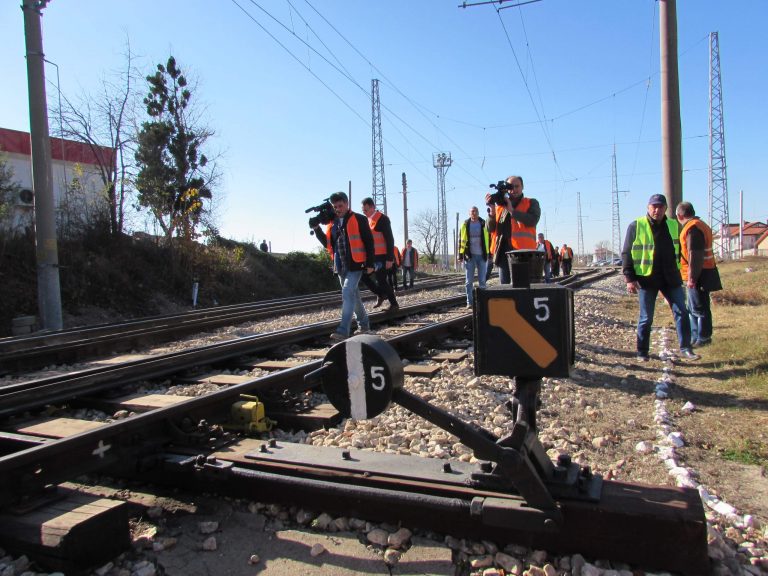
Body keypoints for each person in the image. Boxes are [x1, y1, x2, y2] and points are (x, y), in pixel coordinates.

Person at [622, 194, 699, 361]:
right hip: (647, 278)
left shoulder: (673, 225)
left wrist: (686, 272)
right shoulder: (636, 226)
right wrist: (629, 278)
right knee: (646, 317)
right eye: (653, 206)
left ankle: (686, 348)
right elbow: (627, 253)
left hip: (670, 277)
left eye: (660, 207)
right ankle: (642, 351)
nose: (656, 210)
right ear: (648, 207)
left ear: (666, 209)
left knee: (682, 312)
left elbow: (682, 251)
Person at [311, 191, 375, 341]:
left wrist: (370, 263)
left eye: (340, 205)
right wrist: (316, 228)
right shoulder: (332, 223)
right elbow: (327, 244)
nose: (338, 208)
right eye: (335, 206)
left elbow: (369, 242)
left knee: (347, 292)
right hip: (340, 266)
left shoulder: (359, 219)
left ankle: (342, 331)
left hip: (356, 264)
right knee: (354, 296)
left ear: (347, 204)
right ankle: (364, 325)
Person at [675, 201, 722, 347]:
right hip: (705, 271)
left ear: (679, 215)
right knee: (698, 306)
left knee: (698, 308)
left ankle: (702, 337)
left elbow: (694, 255)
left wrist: (692, 278)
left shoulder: (692, 228)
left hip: (699, 274)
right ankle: (697, 336)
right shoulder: (700, 225)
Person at [485, 175, 541, 284]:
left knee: (522, 285)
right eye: (510, 187)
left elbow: (533, 220)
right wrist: (492, 211)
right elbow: (490, 228)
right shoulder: (501, 206)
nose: (514, 190)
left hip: (522, 253)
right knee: (505, 286)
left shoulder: (531, 203)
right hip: (503, 251)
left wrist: (512, 211)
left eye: (517, 186)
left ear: (522, 187)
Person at [359, 197, 399, 312]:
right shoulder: (369, 220)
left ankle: (394, 304)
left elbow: (390, 239)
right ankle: (381, 294)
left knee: (381, 280)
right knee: (365, 275)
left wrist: (389, 259)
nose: (364, 213)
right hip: (373, 257)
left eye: (366, 210)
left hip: (383, 257)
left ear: (373, 207)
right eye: (363, 211)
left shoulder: (382, 219)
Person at [459, 206, 489, 308]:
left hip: (482, 255)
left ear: (478, 212)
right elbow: (461, 239)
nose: (474, 213)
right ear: (469, 213)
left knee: (482, 281)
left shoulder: (483, 223)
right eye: (472, 211)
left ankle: (483, 302)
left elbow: (488, 238)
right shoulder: (465, 224)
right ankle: (470, 302)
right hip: (469, 256)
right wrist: (460, 255)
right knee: (469, 281)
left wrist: (490, 253)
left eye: (476, 211)